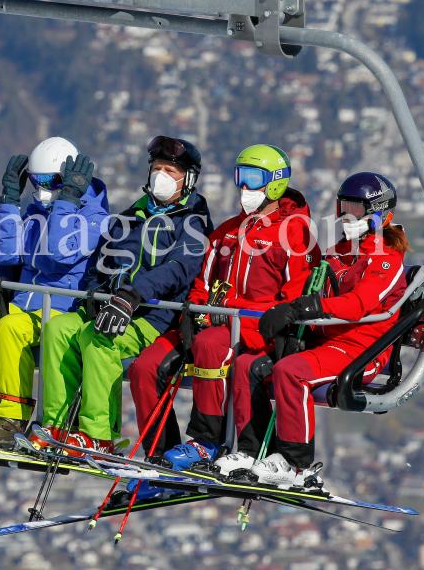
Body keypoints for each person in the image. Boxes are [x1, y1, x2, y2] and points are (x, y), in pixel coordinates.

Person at [131, 144, 316, 470]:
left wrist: (230, 308)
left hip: (257, 326)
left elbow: (293, 295)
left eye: (253, 178)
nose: (244, 187)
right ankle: (159, 452)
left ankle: (208, 441)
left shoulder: (294, 232)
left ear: (274, 182)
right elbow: (203, 279)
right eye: (240, 177)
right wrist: (197, 310)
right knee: (145, 366)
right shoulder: (229, 231)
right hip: (215, 322)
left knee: (211, 343)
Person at [36, 136, 213, 455]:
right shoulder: (130, 218)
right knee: (58, 329)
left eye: (171, 170)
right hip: (108, 306)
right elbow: (98, 264)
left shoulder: (193, 222)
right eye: (157, 167)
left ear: (188, 179)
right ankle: (59, 426)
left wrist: (132, 296)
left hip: (150, 315)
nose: (161, 175)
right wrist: (91, 296)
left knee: (100, 339)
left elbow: (177, 269)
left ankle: (99, 434)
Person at [241, 171, 410, 487]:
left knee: (292, 371)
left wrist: (307, 309)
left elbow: (359, 303)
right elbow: (313, 283)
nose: (347, 216)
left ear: (380, 214)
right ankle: (250, 453)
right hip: (324, 342)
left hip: (361, 349)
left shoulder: (386, 260)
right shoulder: (340, 252)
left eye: (357, 209)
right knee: (248, 364)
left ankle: (296, 464)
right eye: (343, 207)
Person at [0, 137, 109, 447]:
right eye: (35, 180)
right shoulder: (35, 211)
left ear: (69, 180)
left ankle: (12, 415)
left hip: (58, 307)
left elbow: (61, 254)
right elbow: (7, 256)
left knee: (10, 328)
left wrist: (67, 203)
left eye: (49, 180)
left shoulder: (94, 218)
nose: (41, 187)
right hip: (22, 303)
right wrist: (9, 202)